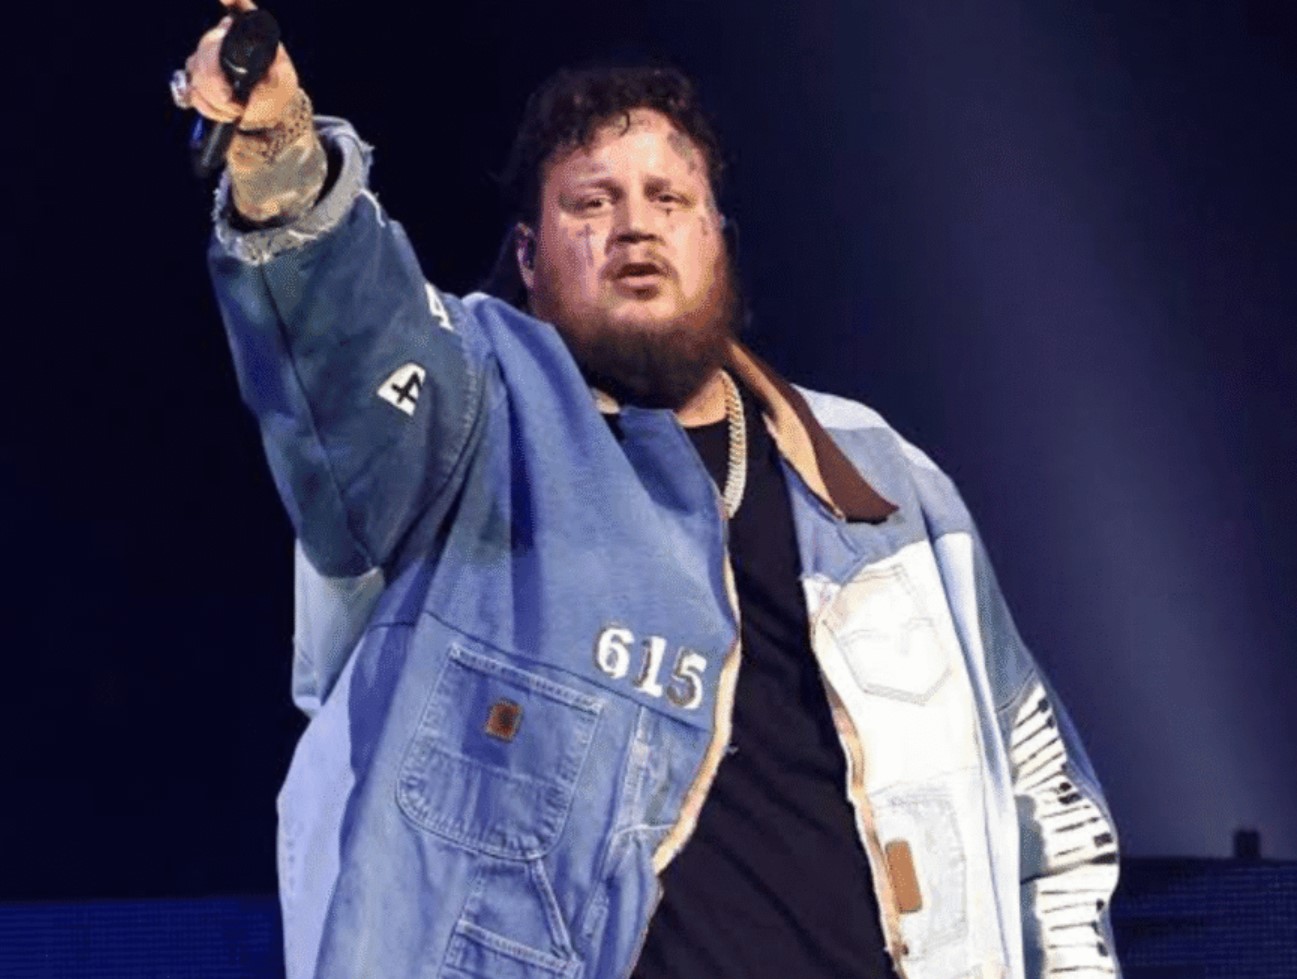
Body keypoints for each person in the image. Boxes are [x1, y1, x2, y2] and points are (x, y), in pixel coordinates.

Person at [176, 2, 1124, 977]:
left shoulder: (884, 480)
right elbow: (353, 342)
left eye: (668, 198)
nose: (634, 224)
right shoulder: (471, 426)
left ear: (717, 238)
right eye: (591, 203)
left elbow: (1045, 819)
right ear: (530, 258)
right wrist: (280, 154)